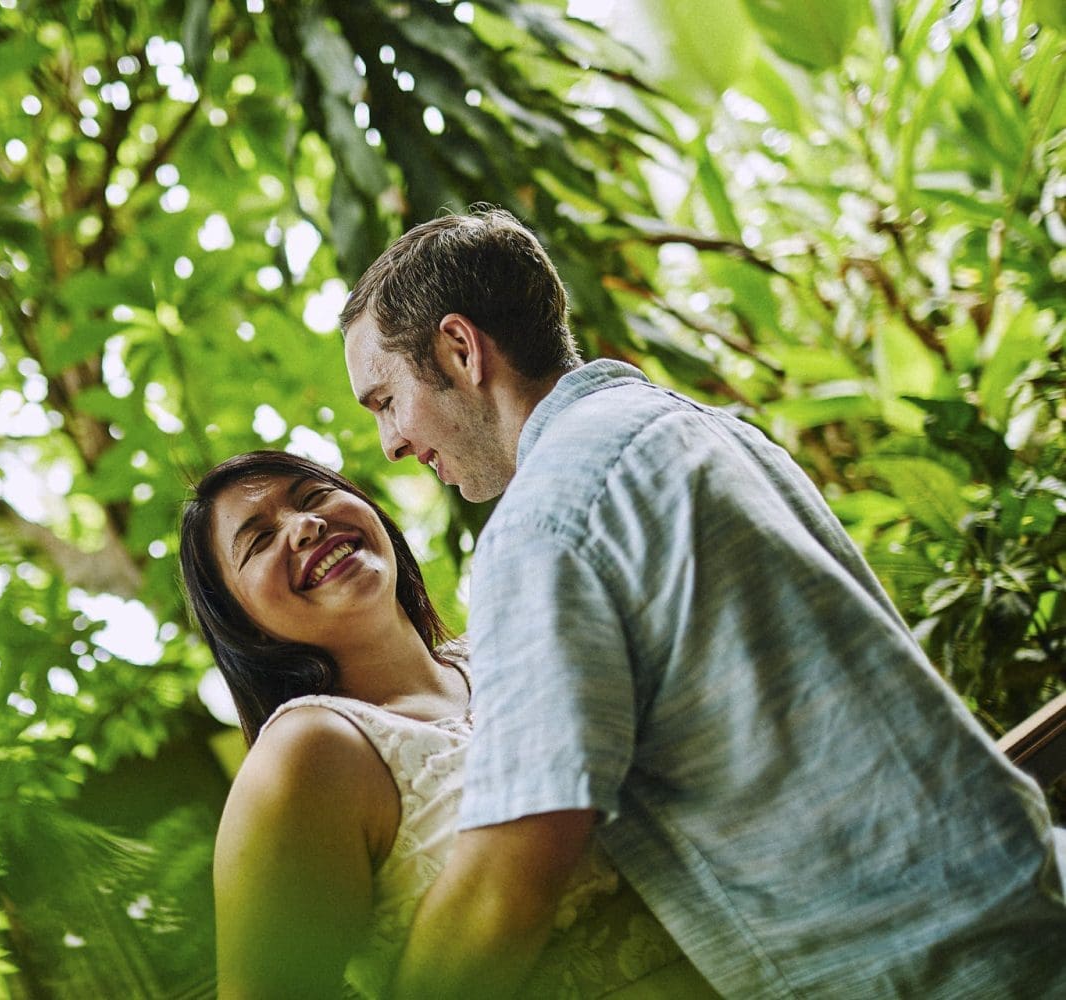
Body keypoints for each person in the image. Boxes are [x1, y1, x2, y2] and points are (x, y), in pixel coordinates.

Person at [339, 206, 1066, 998]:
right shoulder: (712, 432)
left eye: (384, 401)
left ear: (459, 349)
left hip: (926, 972)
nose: (392, 444)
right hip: (1020, 899)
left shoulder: (542, 524)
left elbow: (513, 870)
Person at [179, 450, 717, 999]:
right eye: (259, 541)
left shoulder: (512, 645)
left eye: (313, 497)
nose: (305, 525)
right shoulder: (308, 749)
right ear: (246, 626)